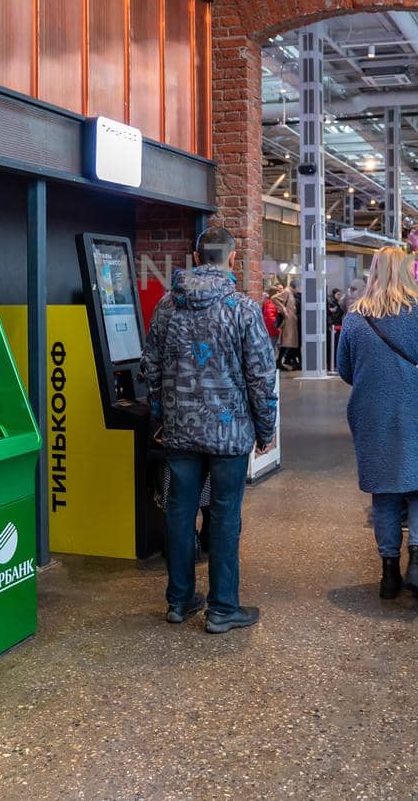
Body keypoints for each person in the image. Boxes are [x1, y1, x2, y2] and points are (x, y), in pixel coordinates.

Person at [140, 227, 277, 633]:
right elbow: (260, 376)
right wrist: (265, 428)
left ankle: (180, 601)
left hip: (180, 433)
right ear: (232, 259)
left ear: (196, 257)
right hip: (229, 435)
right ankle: (222, 608)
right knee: (224, 516)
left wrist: (161, 417)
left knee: (180, 514)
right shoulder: (243, 309)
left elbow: (150, 368)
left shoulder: (167, 307)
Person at [335, 247, 418, 601]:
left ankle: (388, 575)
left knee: (385, 492)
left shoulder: (356, 318)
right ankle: (417, 565)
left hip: (372, 412)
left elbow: (345, 369)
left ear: (373, 272)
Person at [274, 282, 300, 370]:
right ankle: (279, 361)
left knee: (290, 343)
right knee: (287, 342)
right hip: (288, 321)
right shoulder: (287, 292)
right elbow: (274, 298)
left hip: (291, 320)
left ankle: (282, 361)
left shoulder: (290, 293)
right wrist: (283, 309)